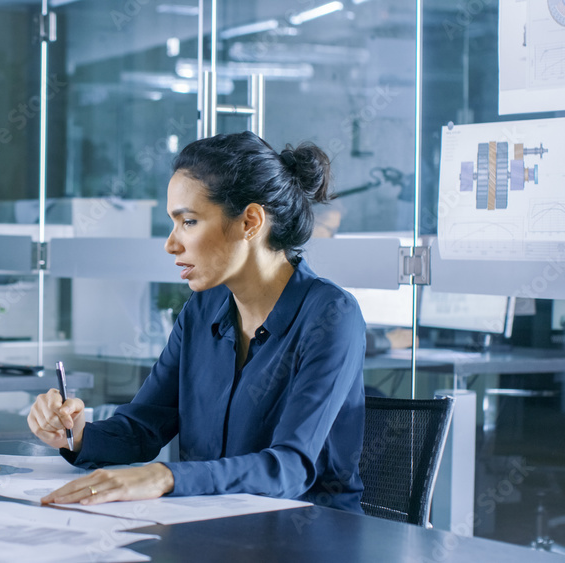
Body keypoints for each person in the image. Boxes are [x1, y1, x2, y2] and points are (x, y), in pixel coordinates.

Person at [28, 132, 366, 511]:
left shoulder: (331, 314)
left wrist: (165, 476)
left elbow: (289, 467)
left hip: (307, 536)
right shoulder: (204, 308)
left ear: (250, 221)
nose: (171, 244)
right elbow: (144, 426)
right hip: (209, 526)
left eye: (188, 222)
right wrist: (75, 435)